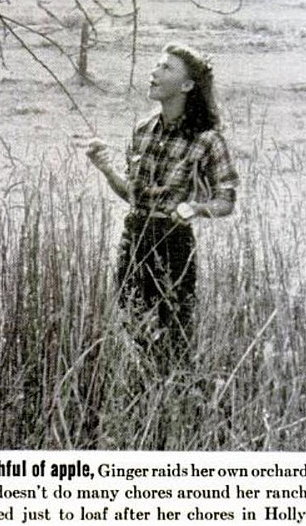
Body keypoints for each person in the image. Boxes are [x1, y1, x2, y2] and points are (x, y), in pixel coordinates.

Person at [86, 43, 239, 371]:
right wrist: (107, 169)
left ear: (186, 86)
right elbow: (134, 196)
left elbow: (226, 201)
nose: (154, 72)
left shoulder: (207, 139)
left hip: (173, 243)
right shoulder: (142, 131)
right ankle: (140, 405)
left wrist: (196, 209)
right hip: (134, 237)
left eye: (166, 68)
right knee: (131, 331)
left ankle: (177, 405)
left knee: (173, 338)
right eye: (156, 65)